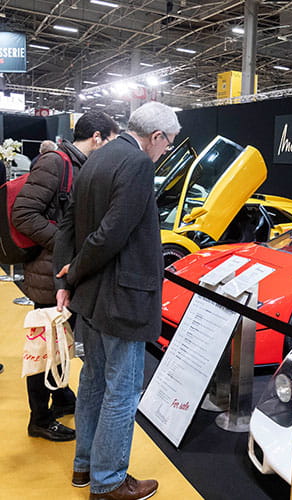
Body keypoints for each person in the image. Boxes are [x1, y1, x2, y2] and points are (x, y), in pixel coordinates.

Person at [54, 101, 180, 500]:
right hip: (121, 298)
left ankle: (85, 466)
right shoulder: (138, 163)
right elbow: (111, 234)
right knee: (121, 392)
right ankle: (108, 482)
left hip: (92, 297)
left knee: (92, 383)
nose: (165, 152)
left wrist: (68, 275)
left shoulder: (98, 155)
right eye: (169, 144)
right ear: (156, 136)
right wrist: (71, 273)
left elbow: (69, 221)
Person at [13, 111, 119, 442]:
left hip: (63, 271)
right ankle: (39, 419)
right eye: (112, 140)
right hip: (47, 272)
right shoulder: (55, 163)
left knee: (62, 341)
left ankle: (58, 397)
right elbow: (23, 214)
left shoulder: (80, 167)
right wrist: (64, 243)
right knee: (46, 346)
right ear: (98, 137)